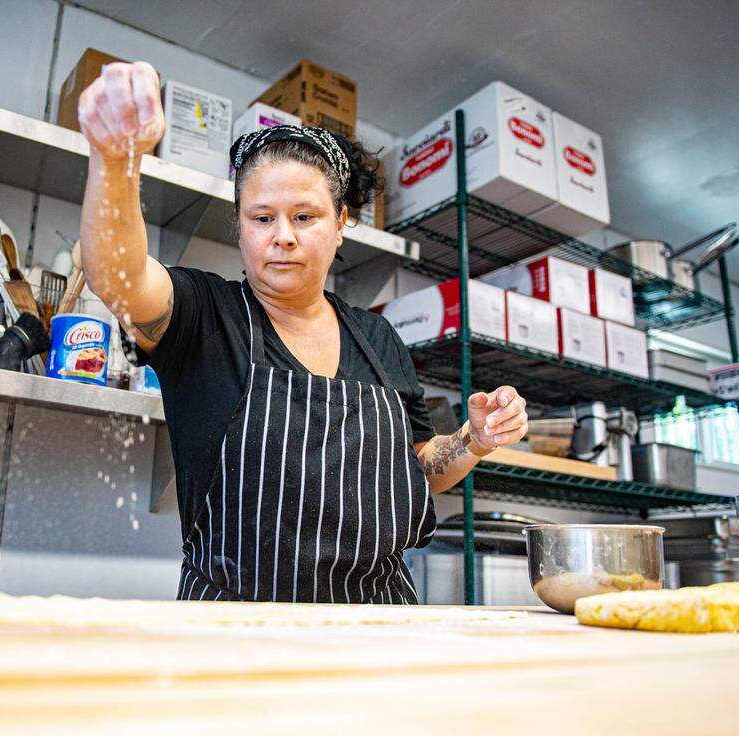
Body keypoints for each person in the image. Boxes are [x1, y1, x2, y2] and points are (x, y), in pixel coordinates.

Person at [77, 62, 528, 604]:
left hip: (379, 630)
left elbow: (418, 471)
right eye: (262, 218)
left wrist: (473, 440)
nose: (282, 237)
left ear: (341, 223)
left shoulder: (377, 339)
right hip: (235, 636)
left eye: (305, 216)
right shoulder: (205, 316)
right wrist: (115, 159)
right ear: (239, 226)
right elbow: (119, 279)